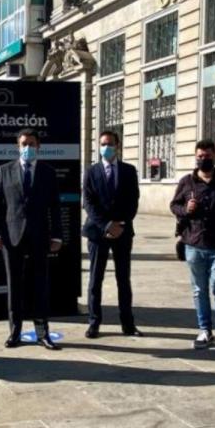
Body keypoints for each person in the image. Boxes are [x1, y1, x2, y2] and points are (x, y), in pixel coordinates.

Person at [0, 128, 64, 350]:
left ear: (38, 146)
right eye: (24, 144)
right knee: (15, 286)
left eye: (32, 144)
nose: (28, 148)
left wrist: (57, 235)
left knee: (40, 285)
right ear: (18, 146)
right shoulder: (5, 170)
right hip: (12, 238)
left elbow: (55, 208)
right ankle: (15, 332)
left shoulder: (48, 172)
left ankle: (42, 333)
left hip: (40, 237)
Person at [170, 140, 215, 356]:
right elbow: (173, 205)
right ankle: (204, 330)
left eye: (208, 155)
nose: (203, 159)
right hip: (194, 244)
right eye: (200, 156)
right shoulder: (187, 182)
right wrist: (185, 209)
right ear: (196, 157)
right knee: (199, 290)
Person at [83, 130, 142, 339]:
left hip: (123, 232)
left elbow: (133, 200)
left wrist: (120, 225)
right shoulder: (91, 171)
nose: (105, 147)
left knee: (123, 279)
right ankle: (94, 322)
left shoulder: (129, 170)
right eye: (102, 144)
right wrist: (107, 225)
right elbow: (88, 203)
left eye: (109, 144)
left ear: (117, 146)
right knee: (95, 280)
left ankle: (127, 324)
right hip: (98, 233)